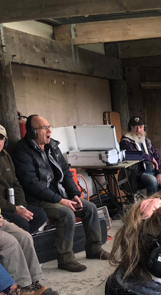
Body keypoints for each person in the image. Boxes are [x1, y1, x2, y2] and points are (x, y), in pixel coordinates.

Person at [11, 115, 110, 272]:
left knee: (90, 207)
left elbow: (65, 172)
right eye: (44, 128)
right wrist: (61, 201)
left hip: (58, 194)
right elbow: (32, 184)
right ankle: (65, 259)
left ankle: (95, 249)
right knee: (66, 213)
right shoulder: (22, 150)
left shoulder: (52, 147)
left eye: (49, 126)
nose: (49, 130)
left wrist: (74, 194)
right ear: (31, 131)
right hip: (38, 199)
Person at [0, 125, 47, 233]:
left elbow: (16, 183)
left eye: (0, 138)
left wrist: (20, 205)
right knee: (22, 223)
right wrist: (14, 209)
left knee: (40, 215)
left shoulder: (5, 156)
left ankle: (20, 243)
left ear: (5, 141)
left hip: (11, 203)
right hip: (3, 207)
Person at [119, 116, 161, 197]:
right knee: (152, 180)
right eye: (135, 127)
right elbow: (134, 155)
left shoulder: (146, 141)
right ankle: (150, 203)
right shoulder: (126, 141)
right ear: (130, 128)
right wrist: (150, 158)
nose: (138, 130)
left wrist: (159, 173)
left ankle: (156, 199)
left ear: (144, 128)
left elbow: (157, 157)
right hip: (137, 173)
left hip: (151, 171)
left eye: (141, 127)